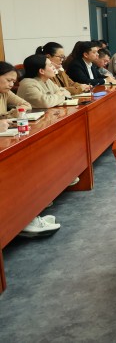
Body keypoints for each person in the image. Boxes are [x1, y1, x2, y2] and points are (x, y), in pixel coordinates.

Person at [0, 61, 60, 236]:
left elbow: (25, 105)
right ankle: (22, 219)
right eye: (8, 80)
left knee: (30, 158)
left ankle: (31, 210)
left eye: (13, 81)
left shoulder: (5, 93)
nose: (12, 84)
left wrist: (6, 116)